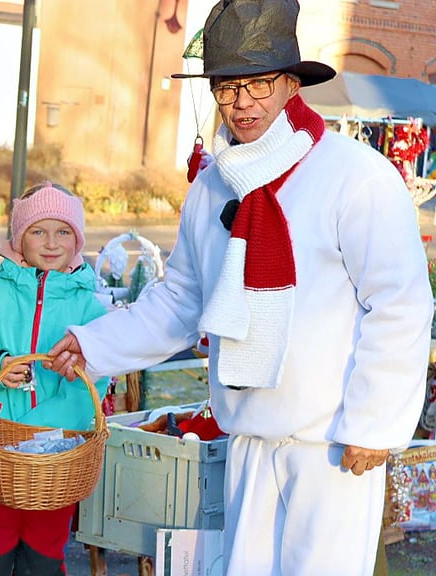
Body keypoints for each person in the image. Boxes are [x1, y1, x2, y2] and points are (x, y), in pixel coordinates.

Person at [45, 2, 432, 574]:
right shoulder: (212, 187)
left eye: (259, 83)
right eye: (227, 87)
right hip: (248, 437)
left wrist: (374, 422)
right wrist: (94, 343)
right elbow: (180, 299)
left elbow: (399, 302)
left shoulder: (356, 175)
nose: (242, 102)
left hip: (331, 443)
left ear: (292, 84)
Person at [0, 182, 111, 576]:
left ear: (77, 240)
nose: (51, 243)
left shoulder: (90, 309)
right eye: (37, 231)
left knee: (43, 560)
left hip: (55, 468)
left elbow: (94, 382)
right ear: (18, 238)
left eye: (63, 231)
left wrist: (32, 438)